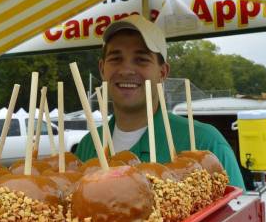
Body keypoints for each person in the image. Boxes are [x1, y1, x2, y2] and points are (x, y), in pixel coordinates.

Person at [75, 14, 244, 189]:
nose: (126, 70)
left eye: (141, 59)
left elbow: (241, 213)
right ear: (102, 69)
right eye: (116, 59)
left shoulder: (205, 143)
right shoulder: (88, 146)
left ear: (163, 72)